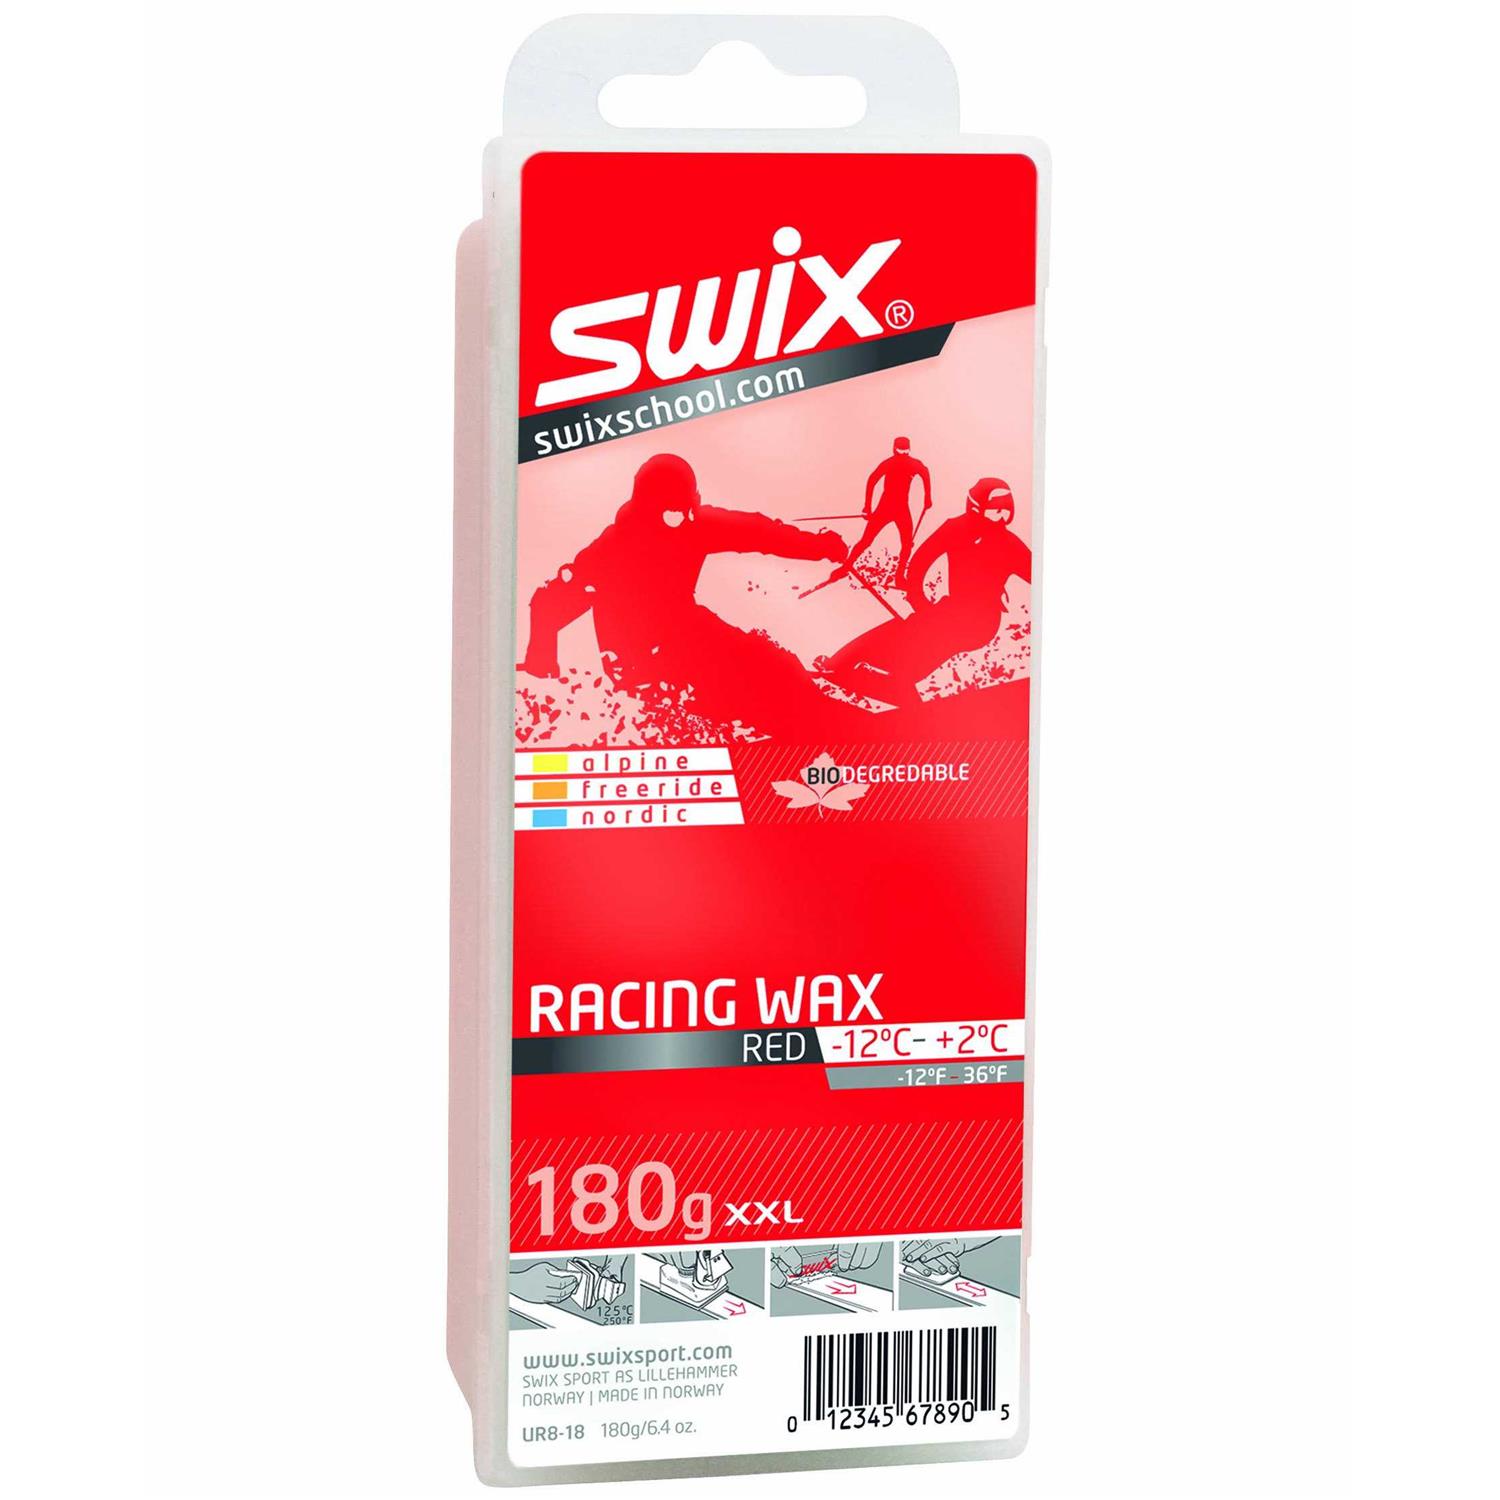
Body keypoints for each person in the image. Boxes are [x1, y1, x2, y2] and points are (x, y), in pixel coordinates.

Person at [521, 453, 853, 737]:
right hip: (644, 669)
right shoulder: (613, 550)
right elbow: (549, 603)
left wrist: (819, 546)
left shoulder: (690, 525)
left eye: (686, 509)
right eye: (674, 512)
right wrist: (543, 664)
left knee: (776, 666)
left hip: (687, 633)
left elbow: (758, 532)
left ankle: (828, 720)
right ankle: (810, 725)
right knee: (751, 693)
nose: (681, 518)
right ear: (652, 510)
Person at [816, 477, 1030, 706]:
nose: (1001, 519)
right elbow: (920, 563)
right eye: (995, 512)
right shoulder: (956, 528)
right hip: (951, 610)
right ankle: (843, 664)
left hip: (981, 622)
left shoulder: (1010, 544)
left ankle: (897, 685)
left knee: (927, 643)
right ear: (976, 509)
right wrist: (919, 602)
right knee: (901, 631)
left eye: (1006, 513)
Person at [835, 436, 931, 584]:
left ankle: (897, 577)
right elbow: (925, 472)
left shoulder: (891, 463)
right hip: (891, 509)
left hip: (891, 508)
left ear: (894, 449)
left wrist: (868, 507)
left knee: (901, 543)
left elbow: (872, 480)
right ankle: (848, 567)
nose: (902, 455)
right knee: (898, 543)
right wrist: (927, 497)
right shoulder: (911, 464)